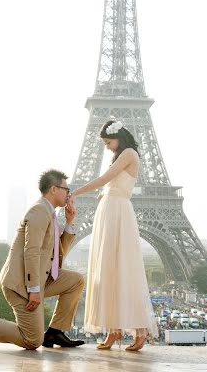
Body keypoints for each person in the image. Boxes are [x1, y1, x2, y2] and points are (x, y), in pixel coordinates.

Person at [0, 169, 85, 350]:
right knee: (32, 340)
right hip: (22, 284)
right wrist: (34, 289)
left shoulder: (50, 213)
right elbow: (31, 251)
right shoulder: (39, 211)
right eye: (66, 189)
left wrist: (70, 222)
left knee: (76, 280)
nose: (68, 194)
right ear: (54, 189)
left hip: (42, 277)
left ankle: (55, 332)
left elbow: (58, 254)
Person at [70, 119, 158, 351]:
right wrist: (105, 195)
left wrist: (77, 191)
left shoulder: (128, 153)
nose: (107, 146)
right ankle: (113, 330)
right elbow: (113, 184)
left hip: (118, 212)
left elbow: (105, 179)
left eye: (108, 142)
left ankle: (140, 330)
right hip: (110, 212)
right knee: (108, 270)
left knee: (123, 270)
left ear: (119, 137)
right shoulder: (123, 154)